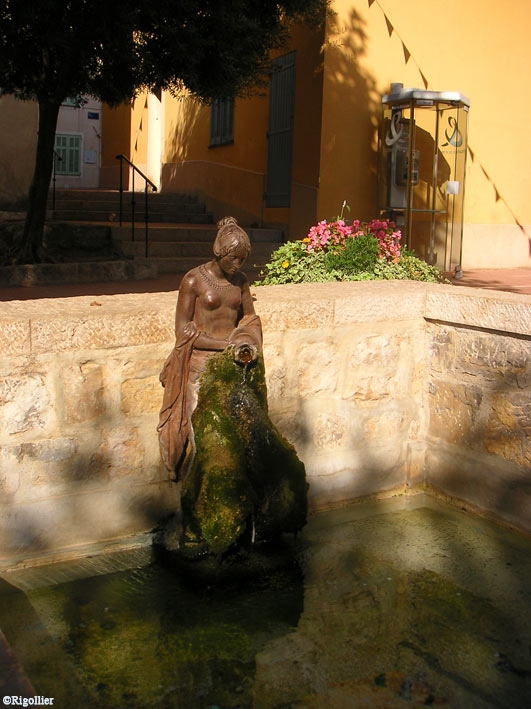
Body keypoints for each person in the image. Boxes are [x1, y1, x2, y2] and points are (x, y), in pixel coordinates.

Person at [157, 217, 262, 480]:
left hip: (232, 364)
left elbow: (249, 318)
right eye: (233, 258)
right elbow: (183, 330)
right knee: (202, 434)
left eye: (242, 259)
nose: (237, 265)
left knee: (234, 434)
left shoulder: (241, 281)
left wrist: (245, 340)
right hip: (199, 366)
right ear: (219, 252)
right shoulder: (193, 280)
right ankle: (198, 488)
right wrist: (224, 344)